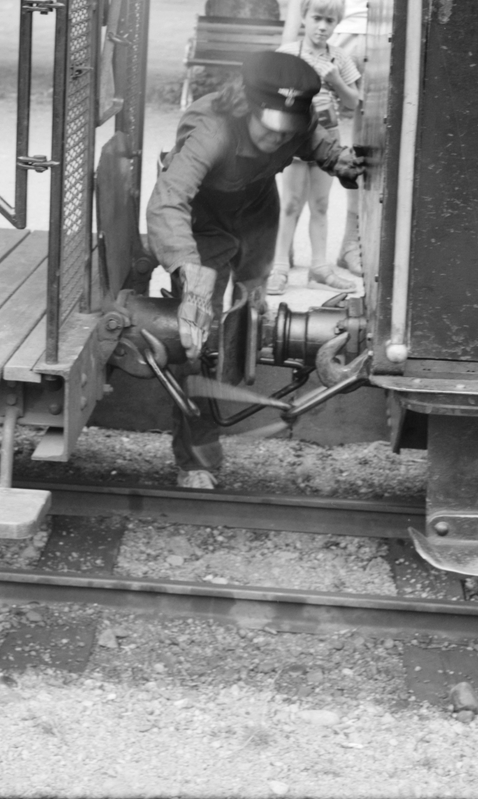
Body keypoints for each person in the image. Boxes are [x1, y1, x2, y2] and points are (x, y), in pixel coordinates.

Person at [146, 51, 363, 489]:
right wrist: (190, 274)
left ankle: (235, 378)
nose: (277, 136)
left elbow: (314, 139)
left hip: (257, 217)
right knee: (197, 339)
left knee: (252, 318)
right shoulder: (211, 129)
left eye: (287, 127)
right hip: (201, 227)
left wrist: (337, 160)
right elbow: (168, 202)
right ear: (247, 105)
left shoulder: (295, 121)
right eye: (270, 125)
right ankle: (196, 460)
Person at [281, 0, 380, 275]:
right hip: (332, 39)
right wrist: (289, 45)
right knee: (308, 135)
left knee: (366, 148)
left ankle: (352, 246)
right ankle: (283, 248)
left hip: (381, 41)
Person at [268, 0, 362, 295]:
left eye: (329, 21)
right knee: (291, 203)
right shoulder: (287, 54)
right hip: (296, 137)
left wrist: (336, 80)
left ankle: (320, 268)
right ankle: (278, 267)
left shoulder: (339, 58)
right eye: (317, 18)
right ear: (304, 17)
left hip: (328, 139)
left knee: (320, 204)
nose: (322, 26)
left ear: (337, 23)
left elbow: (353, 102)